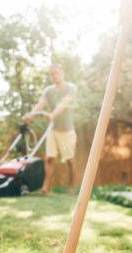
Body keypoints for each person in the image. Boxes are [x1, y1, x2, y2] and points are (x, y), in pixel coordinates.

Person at [23, 64, 78, 195]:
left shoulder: (71, 88)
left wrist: (53, 114)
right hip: (53, 129)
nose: (54, 76)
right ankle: (46, 187)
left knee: (70, 161)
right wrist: (30, 115)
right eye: (52, 74)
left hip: (67, 130)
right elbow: (40, 104)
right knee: (49, 158)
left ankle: (72, 187)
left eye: (56, 73)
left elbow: (64, 104)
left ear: (62, 73)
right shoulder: (48, 91)